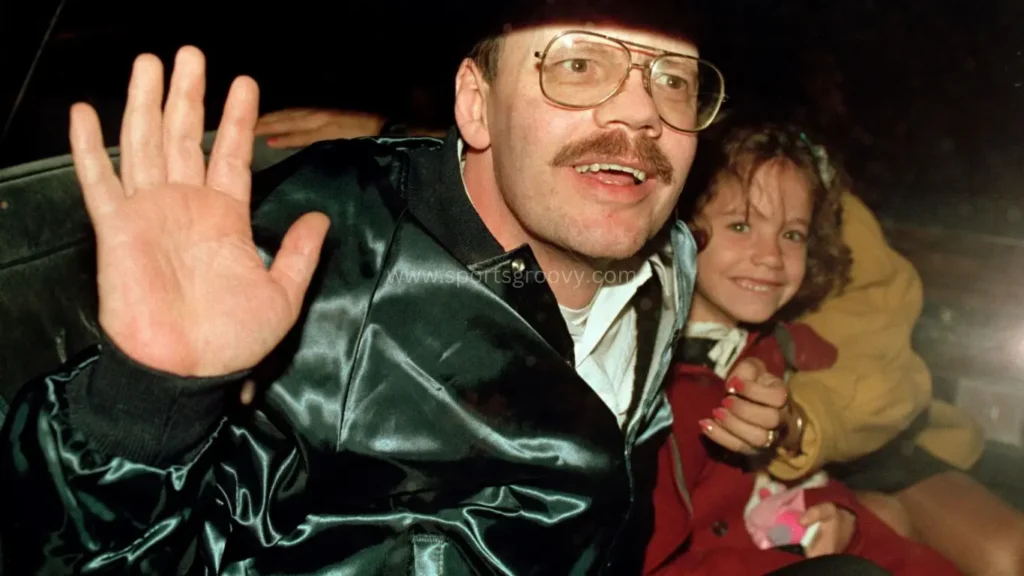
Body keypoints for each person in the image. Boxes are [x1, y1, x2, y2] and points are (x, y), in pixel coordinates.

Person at [0, 2, 861, 574]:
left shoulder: (669, 254)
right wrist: (148, 400)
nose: (641, 115)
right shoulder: (323, 261)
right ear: (477, 107)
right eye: (579, 65)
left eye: (671, 80)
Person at [641, 122, 961, 575]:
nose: (771, 255)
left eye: (792, 234)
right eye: (740, 225)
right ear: (679, 227)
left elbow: (890, 386)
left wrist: (837, 513)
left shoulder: (773, 345)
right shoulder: (655, 386)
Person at [758, 161, 1024, 572]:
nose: (768, 254)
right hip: (778, 476)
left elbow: (883, 352)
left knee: (1008, 552)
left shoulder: (813, 187)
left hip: (868, 440)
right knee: (886, 523)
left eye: (792, 235)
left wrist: (801, 419)